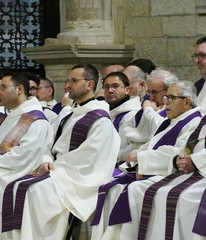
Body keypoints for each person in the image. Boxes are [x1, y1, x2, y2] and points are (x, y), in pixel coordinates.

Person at [114, 62, 206, 240]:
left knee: (177, 197)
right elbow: (188, 144)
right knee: (146, 190)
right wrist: (179, 159)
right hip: (197, 168)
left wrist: (193, 160)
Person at [3, 63, 121, 240]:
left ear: (89, 84)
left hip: (75, 178)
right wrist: (45, 159)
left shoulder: (100, 120)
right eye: (67, 81)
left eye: (73, 81)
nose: (66, 86)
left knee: (32, 191)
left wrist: (55, 166)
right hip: (56, 170)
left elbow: (90, 158)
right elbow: (50, 145)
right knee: (17, 187)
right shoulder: (71, 114)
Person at [91, 80, 202, 240]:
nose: (166, 102)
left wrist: (142, 159)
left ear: (186, 102)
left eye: (171, 98)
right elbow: (152, 145)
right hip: (151, 169)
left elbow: (179, 152)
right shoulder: (172, 121)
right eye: (166, 97)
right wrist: (138, 159)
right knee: (107, 186)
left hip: (171, 174)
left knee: (128, 191)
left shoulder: (194, 122)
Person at [0, 71, 53, 234]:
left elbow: (21, 158)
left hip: (16, 173)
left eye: (3, 87)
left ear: (20, 89)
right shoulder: (12, 116)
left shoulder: (35, 120)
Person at [103, 71, 141, 163]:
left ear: (127, 90)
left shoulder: (134, 115)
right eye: (107, 87)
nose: (110, 90)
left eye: (115, 86)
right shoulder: (106, 113)